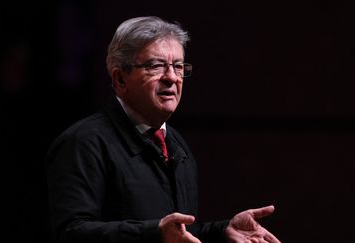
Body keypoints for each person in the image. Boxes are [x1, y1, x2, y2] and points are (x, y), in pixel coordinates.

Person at [46, 16, 281, 243]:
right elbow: (71, 233)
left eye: (178, 66)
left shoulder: (176, 144)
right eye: (156, 65)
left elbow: (179, 232)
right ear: (120, 79)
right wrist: (154, 233)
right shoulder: (84, 143)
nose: (171, 77)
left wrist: (222, 231)